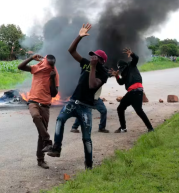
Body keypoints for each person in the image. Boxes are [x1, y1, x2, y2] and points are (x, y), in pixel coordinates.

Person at [46, 23, 109, 170]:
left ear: (101, 61)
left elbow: (93, 85)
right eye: (92, 55)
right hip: (74, 101)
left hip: (86, 107)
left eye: (96, 57)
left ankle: (89, 165)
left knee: (86, 138)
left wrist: (93, 67)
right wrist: (79, 37)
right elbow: (71, 51)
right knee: (60, 119)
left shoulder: (103, 73)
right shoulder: (86, 63)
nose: (92, 57)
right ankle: (56, 148)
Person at [18, 54, 59, 169]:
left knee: (41, 133)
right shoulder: (37, 68)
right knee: (35, 116)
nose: (49, 66)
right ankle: (47, 140)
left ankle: (40, 160)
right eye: (48, 63)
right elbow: (20, 67)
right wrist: (31, 58)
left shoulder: (54, 73)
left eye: (51, 64)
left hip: (45, 106)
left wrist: (51, 78)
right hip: (33, 102)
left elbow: (54, 94)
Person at [109, 48, 154, 133]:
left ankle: (123, 128)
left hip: (135, 91)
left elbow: (136, 58)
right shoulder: (124, 74)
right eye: (120, 68)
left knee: (122, 108)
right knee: (135, 110)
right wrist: (117, 76)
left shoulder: (131, 65)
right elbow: (121, 83)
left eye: (121, 67)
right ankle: (150, 129)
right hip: (135, 92)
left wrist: (132, 54)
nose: (121, 69)